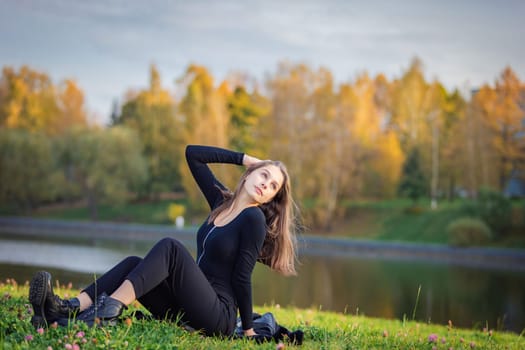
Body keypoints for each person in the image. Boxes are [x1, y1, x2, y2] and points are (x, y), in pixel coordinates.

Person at [29, 145, 298, 338]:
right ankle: (66, 308)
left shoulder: (253, 220)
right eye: (264, 175)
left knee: (170, 247)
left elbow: (241, 278)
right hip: (190, 305)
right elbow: (193, 155)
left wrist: (248, 329)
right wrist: (245, 158)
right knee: (134, 263)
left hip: (218, 316)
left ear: (269, 199)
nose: (266, 184)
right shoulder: (221, 203)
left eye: (273, 186)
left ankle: (105, 315)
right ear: (250, 173)